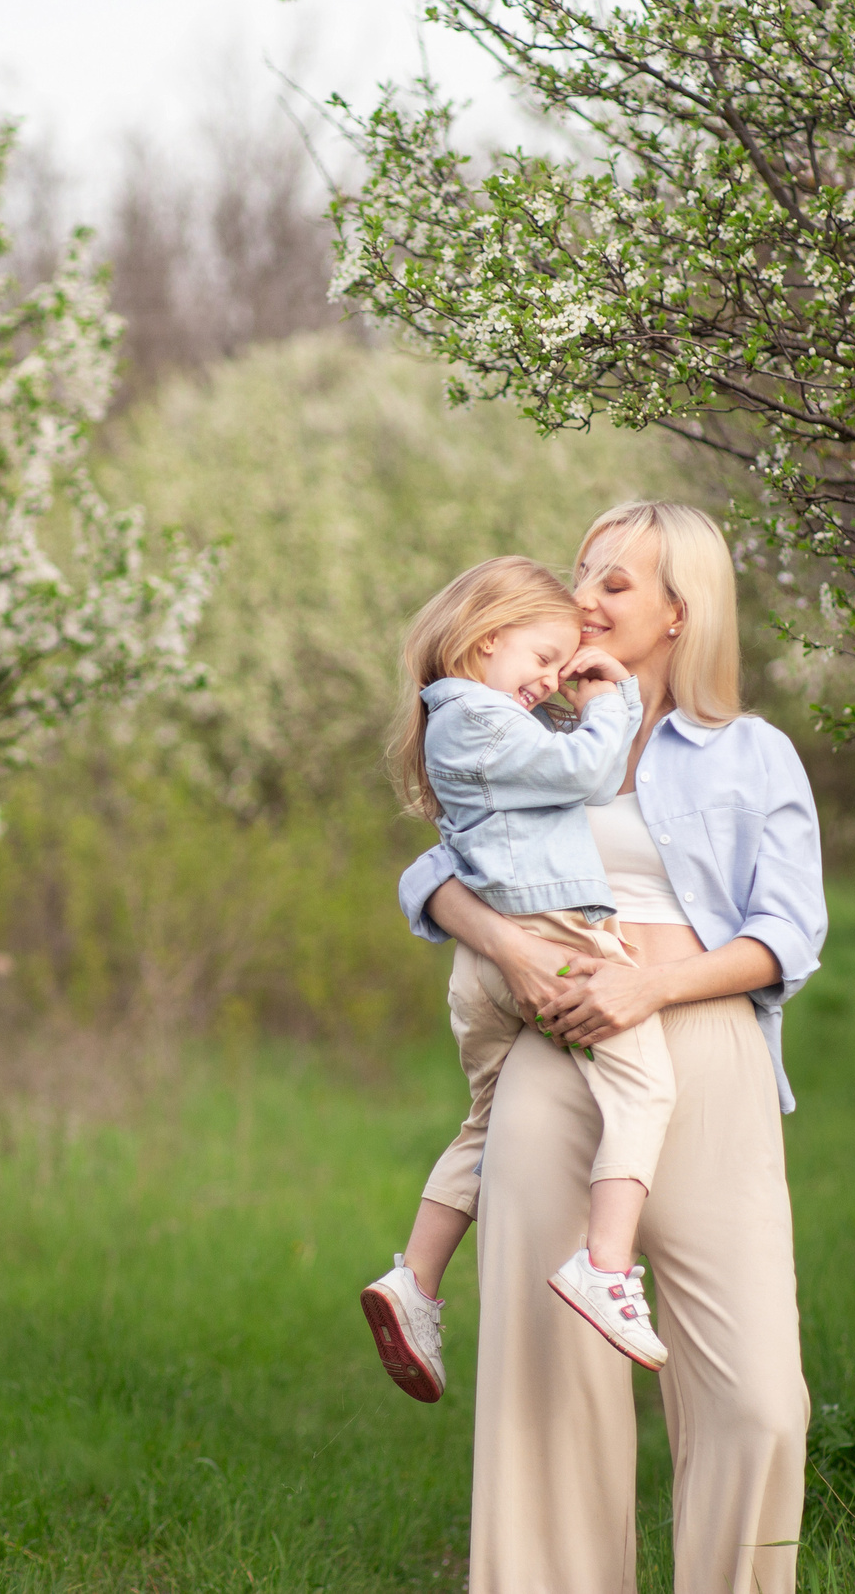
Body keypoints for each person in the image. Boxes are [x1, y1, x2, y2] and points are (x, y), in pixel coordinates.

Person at [373, 501, 826, 1594]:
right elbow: (433, 871)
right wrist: (508, 950)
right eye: (582, 572)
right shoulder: (519, 718)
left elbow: (788, 933)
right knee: (548, 1398)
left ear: (680, 611)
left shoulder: (749, 752)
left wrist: (651, 983)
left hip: (706, 1058)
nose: (583, 598)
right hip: (557, 1055)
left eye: (614, 582)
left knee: (761, 1401)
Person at [359, 556, 679, 1398]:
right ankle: (605, 1265)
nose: (549, 680)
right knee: (644, 1086)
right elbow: (589, 773)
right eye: (541, 657)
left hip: (485, 962)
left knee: (487, 1122)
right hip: (554, 929)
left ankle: (415, 1281)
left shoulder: (461, 720)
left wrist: (568, 692)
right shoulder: (478, 717)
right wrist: (614, 699)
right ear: (485, 639)